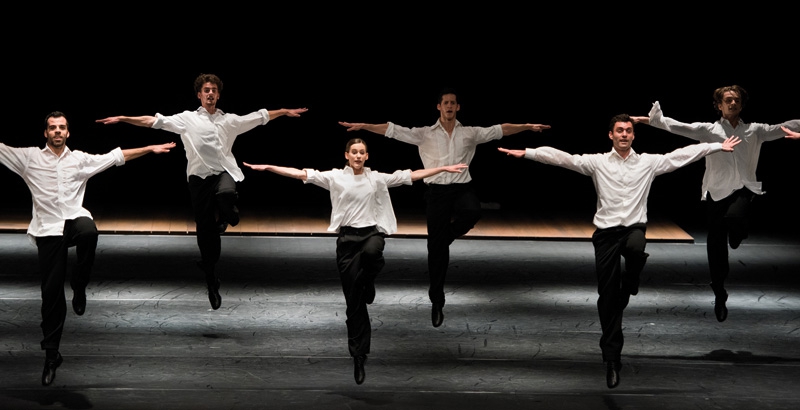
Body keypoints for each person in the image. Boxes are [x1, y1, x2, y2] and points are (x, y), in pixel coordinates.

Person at [498, 114, 740, 389]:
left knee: (637, 249)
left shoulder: (648, 162)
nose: (624, 134)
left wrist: (715, 146)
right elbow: (563, 158)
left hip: (633, 229)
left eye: (628, 130)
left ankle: (631, 279)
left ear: (634, 135)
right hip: (605, 235)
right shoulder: (598, 162)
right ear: (611, 135)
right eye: (619, 130)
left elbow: (681, 155)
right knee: (608, 299)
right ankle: (612, 359)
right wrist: (528, 152)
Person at [243, 138, 467, 385]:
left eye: (362, 152)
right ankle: (359, 355)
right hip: (347, 241)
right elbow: (300, 174)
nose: (358, 156)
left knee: (373, 253)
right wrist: (269, 167)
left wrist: (443, 169)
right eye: (354, 152)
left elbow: (411, 175)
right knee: (354, 304)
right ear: (346, 155)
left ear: (367, 156)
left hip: (372, 234)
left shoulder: (377, 178)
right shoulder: (335, 177)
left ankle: (369, 279)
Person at [339, 87, 551, 328]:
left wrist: (527, 126)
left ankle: (445, 237)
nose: (450, 106)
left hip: (462, 190)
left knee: (473, 212)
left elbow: (500, 130)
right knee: (437, 253)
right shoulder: (424, 134)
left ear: (458, 107)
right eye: (445, 103)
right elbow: (392, 130)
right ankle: (437, 301)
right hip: (436, 193)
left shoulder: (469, 133)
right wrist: (364, 126)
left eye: (453, 103)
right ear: (439, 107)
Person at [96, 73, 307, 311]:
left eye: (214, 90)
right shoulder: (186, 119)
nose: (210, 94)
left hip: (223, 173)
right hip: (199, 179)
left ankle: (229, 217)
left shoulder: (230, 121)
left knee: (227, 194)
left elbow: (260, 117)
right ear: (199, 94)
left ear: (218, 95)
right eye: (206, 90)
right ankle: (211, 277)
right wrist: (123, 118)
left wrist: (284, 111)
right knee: (206, 235)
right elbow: (152, 121)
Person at [0, 111, 175, 386]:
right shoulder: (29, 158)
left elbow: (115, 157)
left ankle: (79, 285)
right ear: (45, 133)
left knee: (89, 230)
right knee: (51, 295)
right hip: (47, 230)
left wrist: (149, 148)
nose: (57, 131)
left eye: (62, 128)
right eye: (52, 128)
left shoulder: (79, 159)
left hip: (73, 221)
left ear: (68, 132)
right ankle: (51, 355)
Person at [631, 85, 800, 323]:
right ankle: (719, 292)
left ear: (742, 105)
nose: (733, 104)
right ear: (719, 105)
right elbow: (677, 126)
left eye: (737, 100)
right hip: (716, 193)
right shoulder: (709, 130)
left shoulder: (755, 130)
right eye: (728, 100)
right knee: (715, 246)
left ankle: (737, 233)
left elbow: (786, 126)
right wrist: (648, 121)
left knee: (735, 218)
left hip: (743, 189)